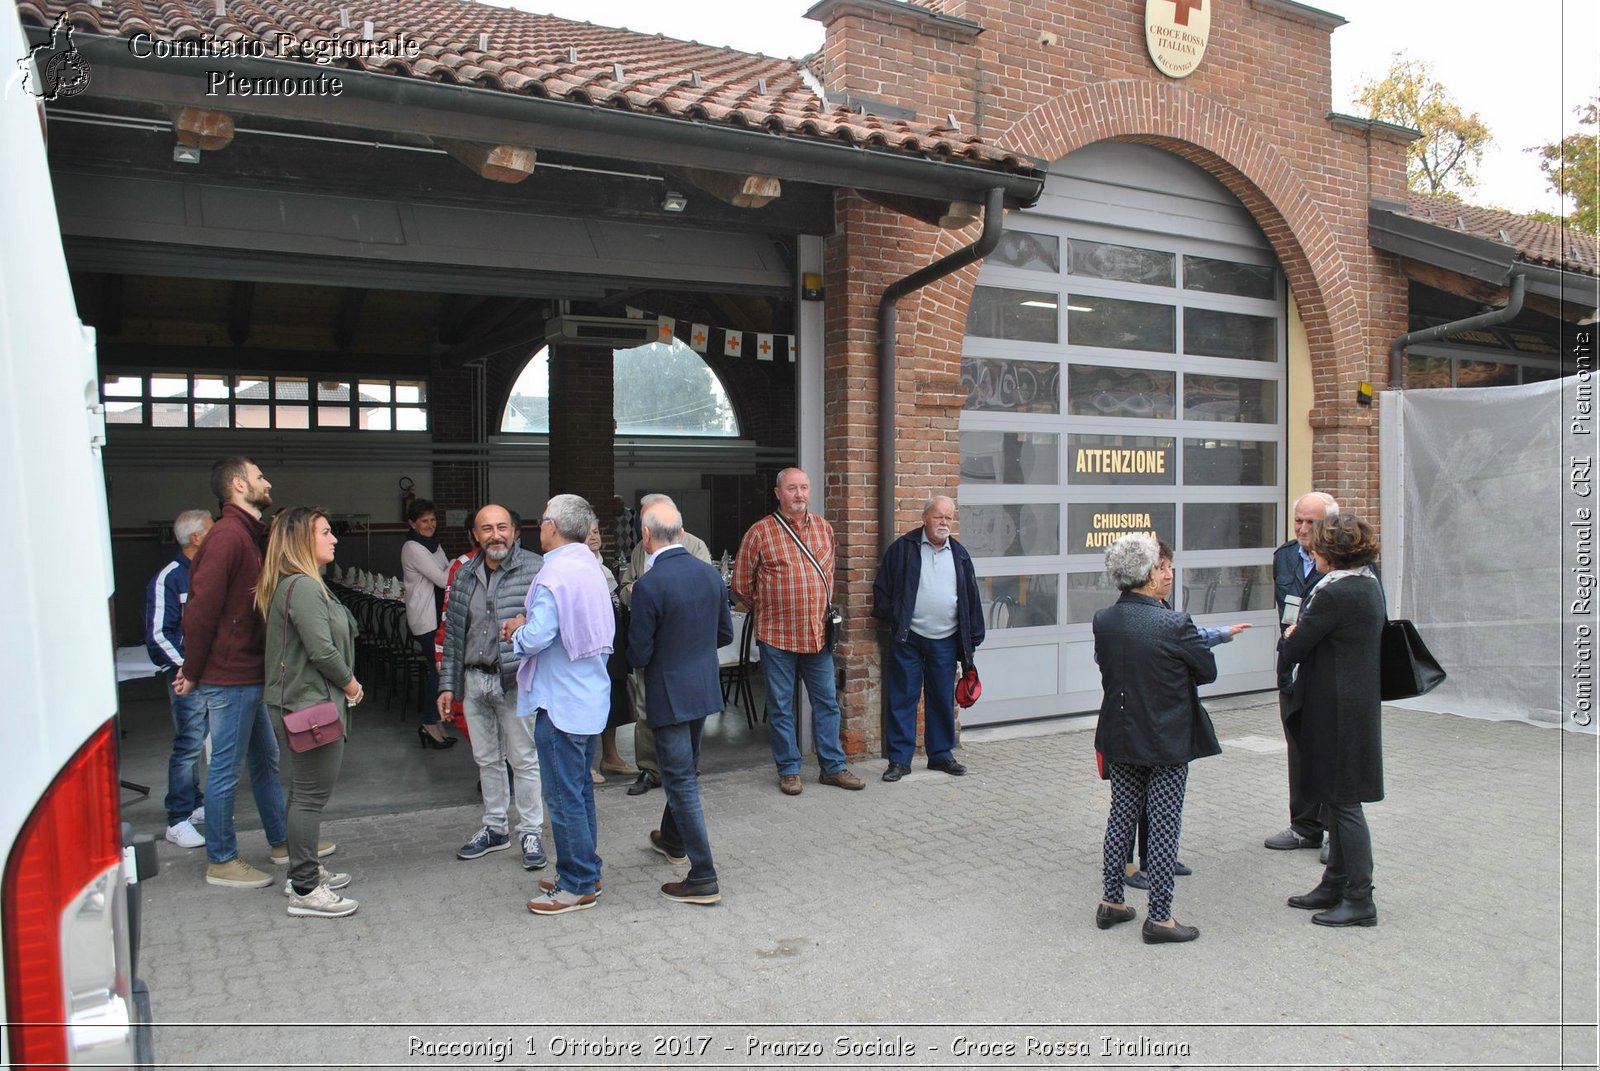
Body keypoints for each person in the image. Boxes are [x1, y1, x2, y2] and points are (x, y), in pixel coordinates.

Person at [174, 457, 305, 890]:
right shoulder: (228, 536)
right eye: (259, 477)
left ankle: (281, 841)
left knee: (265, 761)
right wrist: (193, 671)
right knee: (226, 769)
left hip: (246, 673)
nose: (267, 482)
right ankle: (222, 859)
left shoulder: (245, 534)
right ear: (237, 484)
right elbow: (200, 610)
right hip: (229, 676)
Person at [1092, 535, 1219, 944]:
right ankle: (1160, 918)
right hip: (1165, 738)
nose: (1168, 573)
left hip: (1121, 732)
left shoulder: (1104, 619)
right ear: (1148, 575)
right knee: (1164, 825)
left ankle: (1112, 901)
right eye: (1162, 568)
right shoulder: (1173, 623)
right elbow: (1207, 670)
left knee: (1121, 817)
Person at [1278, 513, 1385, 927]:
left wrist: (1289, 638)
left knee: (1344, 804)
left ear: (1331, 552)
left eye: (1316, 544)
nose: (1309, 549)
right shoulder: (1367, 584)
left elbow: (1296, 646)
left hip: (1338, 708)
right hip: (1349, 705)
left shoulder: (1337, 593)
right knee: (1338, 799)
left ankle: (1360, 898)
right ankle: (1334, 882)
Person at [730, 467, 865, 795]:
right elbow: (740, 587)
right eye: (792, 488)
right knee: (779, 705)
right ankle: (789, 769)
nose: (800, 494)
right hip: (777, 637)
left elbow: (829, 573)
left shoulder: (824, 528)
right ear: (778, 493)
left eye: (804, 487)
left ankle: (832, 767)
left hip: (817, 635)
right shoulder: (760, 532)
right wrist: (771, 607)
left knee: (827, 703)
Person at [510, 494, 614, 915]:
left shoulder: (555, 572)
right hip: (588, 696)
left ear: (553, 525)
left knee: (563, 795)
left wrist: (517, 629)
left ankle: (576, 884)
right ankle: (586, 869)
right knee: (580, 789)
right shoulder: (588, 564)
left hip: (561, 702)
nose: (540, 525)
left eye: (543, 519)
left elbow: (538, 636)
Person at [257, 507, 362, 919]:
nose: (334, 538)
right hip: (311, 705)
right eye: (325, 532)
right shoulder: (302, 586)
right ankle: (305, 887)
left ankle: (303, 870)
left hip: (305, 702)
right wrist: (351, 684)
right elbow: (321, 650)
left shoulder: (305, 583)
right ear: (302, 540)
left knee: (303, 792)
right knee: (311, 797)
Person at [628, 501, 733, 905]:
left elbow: (638, 653)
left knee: (680, 779)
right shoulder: (708, 573)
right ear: (682, 531)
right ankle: (672, 839)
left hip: (668, 693)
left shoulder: (650, 586)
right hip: (702, 686)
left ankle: (703, 875)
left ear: (647, 535)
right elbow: (724, 633)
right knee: (684, 768)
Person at [437, 505, 546, 870]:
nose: (495, 535)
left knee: (524, 760)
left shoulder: (536, 568)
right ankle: (495, 827)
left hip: (515, 678)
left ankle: (531, 831)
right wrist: (447, 685)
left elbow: (550, 621)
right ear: (475, 534)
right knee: (486, 759)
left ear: (515, 530)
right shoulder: (464, 573)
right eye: (487, 529)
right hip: (473, 678)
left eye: (502, 527)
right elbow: (453, 637)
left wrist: (524, 622)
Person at [871, 496, 985, 781]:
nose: (944, 522)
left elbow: (971, 598)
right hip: (908, 637)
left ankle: (941, 755)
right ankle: (899, 760)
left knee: (942, 698)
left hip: (945, 639)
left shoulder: (960, 554)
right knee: (902, 697)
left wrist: (973, 637)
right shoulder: (903, 549)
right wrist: (894, 617)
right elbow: (882, 588)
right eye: (938, 516)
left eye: (949, 517)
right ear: (925, 518)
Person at [618, 492, 713, 795]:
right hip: (649, 642)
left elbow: (701, 592)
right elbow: (624, 590)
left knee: (686, 712)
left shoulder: (695, 547)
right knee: (645, 708)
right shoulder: (638, 552)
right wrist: (636, 592)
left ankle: (684, 767)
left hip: (684, 646)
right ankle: (650, 769)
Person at [1265, 491, 1339, 854]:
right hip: (1292, 667)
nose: (1304, 529)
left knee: (1328, 748)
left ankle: (1334, 831)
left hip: (1327, 671)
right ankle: (1304, 826)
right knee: (1297, 746)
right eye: (1299, 521)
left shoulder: (1348, 563)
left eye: (1313, 522)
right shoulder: (1284, 557)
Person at [145, 508, 214, 849]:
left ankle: (195, 801)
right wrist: (189, 668)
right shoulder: (170, 578)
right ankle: (177, 818)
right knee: (188, 745)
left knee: (201, 739)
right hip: (187, 679)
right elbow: (159, 634)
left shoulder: (208, 573)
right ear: (196, 538)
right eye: (211, 531)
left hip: (212, 676)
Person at [401, 498, 456, 749]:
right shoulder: (413, 547)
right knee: (438, 670)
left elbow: (445, 571)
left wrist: (452, 565)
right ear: (412, 523)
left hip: (437, 615)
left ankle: (436, 722)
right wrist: (460, 562)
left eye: (432, 520)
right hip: (426, 618)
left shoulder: (433, 545)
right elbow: (445, 578)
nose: (430, 524)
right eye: (424, 521)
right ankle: (429, 722)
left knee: (441, 670)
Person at [586, 520, 636, 782]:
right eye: (588, 532)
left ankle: (611, 756)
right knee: (590, 700)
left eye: (596, 531)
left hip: (614, 641)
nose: (594, 536)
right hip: (593, 645)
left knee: (613, 697)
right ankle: (586, 763)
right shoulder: (579, 568)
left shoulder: (603, 565)